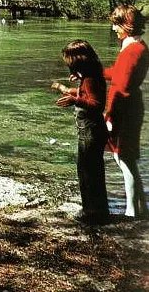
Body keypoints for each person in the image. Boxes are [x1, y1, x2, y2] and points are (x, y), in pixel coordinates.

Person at [52, 40, 109, 224]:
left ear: (79, 61)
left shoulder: (90, 79)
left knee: (88, 172)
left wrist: (74, 101)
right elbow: (86, 94)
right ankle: (95, 211)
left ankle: (92, 213)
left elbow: (97, 104)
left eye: (69, 62)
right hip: (91, 132)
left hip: (91, 132)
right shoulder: (90, 75)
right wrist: (66, 88)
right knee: (89, 171)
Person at [104, 4, 149, 218]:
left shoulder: (132, 50)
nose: (114, 29)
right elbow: (117, 73)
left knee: (123, 159)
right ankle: (141, 210)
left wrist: (110, 115)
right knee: (127, 159)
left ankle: (131, 212)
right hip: (131, 107)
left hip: (125, 109)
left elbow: (121, 87)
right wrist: (92, 72)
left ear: (126, 25)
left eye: (116, 24)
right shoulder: (137, 46)